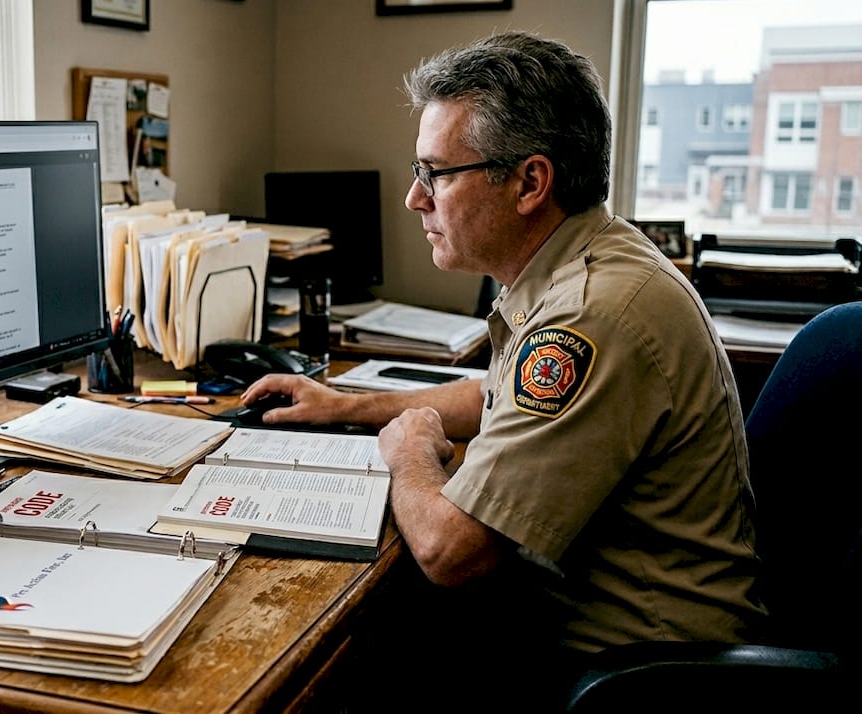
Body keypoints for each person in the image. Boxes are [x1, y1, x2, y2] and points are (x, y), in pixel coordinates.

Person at [243, 32, 766, 709]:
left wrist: (409, 455)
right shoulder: (588, 258)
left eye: (436, 173)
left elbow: (450, 553)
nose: (414, 198)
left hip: (637, 673)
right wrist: (346, 405)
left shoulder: (590, 317)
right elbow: (501, 397)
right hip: (587, 628)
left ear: (529, 182)